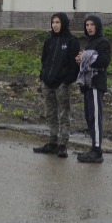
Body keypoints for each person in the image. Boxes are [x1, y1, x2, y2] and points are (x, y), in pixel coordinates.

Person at [34, 12, 80, 157]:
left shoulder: (72, 41)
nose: (55, 25)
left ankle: (63, 144)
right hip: (47, 83)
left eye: (58, 22)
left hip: (62, 85)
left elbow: (74, 65)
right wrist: (43, 77)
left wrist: (66, 81)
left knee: (63, 114)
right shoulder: (49, 40)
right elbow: (44, 60)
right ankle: (52, 141)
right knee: (50, 113)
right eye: (53, 22)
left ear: (64, 23)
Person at [75, 14, 112, 164]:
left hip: (96, 84)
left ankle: (97, 151)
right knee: (89, 116)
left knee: (96, 118)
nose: (89, 28)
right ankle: (93, 148)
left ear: (97, 26)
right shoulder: (89, 43)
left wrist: (85, 57)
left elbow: (104, 60)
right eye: (87, 25)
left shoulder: (103, 42)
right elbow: (87, 59)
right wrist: (81, 59)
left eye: (92, 25)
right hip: (88, 84)